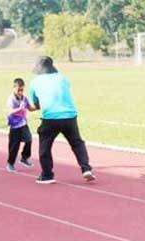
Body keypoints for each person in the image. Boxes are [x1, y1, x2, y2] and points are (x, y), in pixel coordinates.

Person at [27, 56, 94, 184]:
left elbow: (36, 103)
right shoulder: (63, 78)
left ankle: (47, 175)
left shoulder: (35, 81)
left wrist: (33, 108)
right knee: (77, 143)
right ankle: (86, 168)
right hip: (70, 116)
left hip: (51, 118)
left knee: (45, 146)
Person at [5, 77, 33, 172]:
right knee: (14, 146)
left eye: (22, 89)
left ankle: (24, 158)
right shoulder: (11, 99)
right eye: (18, 90)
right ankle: (10, 164)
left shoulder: (24, 98)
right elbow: (10, 111)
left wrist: (38, 106)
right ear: (14, 88)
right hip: (14, 126)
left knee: (29, 139)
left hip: (23, 124)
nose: (20, 91)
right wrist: (20, 109)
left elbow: (29, 107)